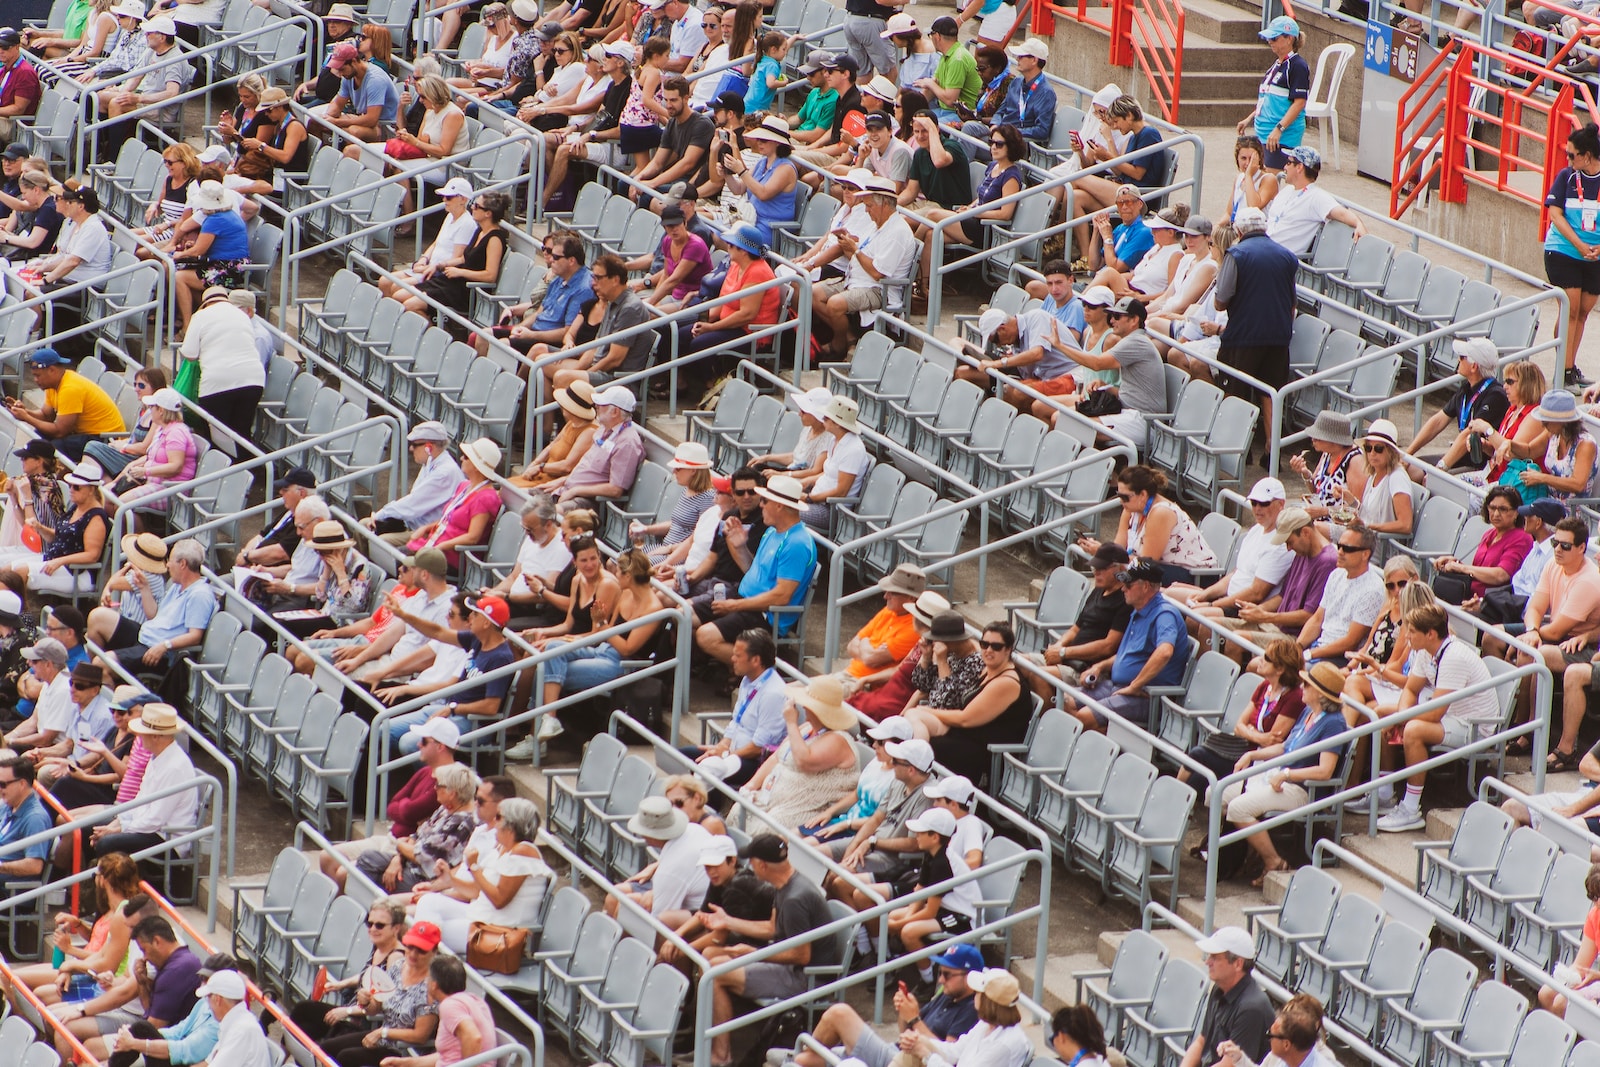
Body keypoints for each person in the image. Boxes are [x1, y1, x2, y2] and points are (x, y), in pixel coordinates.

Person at [707, 833, 838, 1066]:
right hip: (793, 966)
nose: (749, 866)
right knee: (711, 957)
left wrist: (752, 953)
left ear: (762, 865)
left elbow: (802, 955)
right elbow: (771, 928)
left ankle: (721, 1056)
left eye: (751, 862)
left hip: (808, 979)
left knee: (716, 975)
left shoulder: (794, 899)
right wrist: (728, 921)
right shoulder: (786, 884)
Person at [1375, 603, 1499, 832]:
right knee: (1382, 713)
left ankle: (1411, 809)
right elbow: (1411, 690)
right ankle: (1384, 793)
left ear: (1430, 634)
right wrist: (1400, 716)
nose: (1407, 636)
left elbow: (1434, 714)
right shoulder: (1424, 651)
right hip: (1449, 716)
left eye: (1412, 631)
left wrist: (1402, 720)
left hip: (1473, 726)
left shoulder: (1454, 657)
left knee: (1413, 729)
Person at [1220, 661, 1346, 882]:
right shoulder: (1308, 711)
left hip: (1302, 790)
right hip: (1280, 777)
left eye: (1306, 685)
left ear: (1319, 693)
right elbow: (1285, 747)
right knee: (1219, 795)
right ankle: (1236, 858)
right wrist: (1252, 755)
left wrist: (1287, 775)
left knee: (1238, 809)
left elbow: (1325, 771)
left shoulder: (1333, 723)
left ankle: (1273, 861)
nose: (1302, 688)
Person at [318, 717, 460, 892]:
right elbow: (393, 806)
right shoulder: (425, 771)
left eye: (423, 741)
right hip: (390, 838)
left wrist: (405, 808)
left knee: (343, 874)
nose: (418, 745)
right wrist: (405, 808)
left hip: (404, 848)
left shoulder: (449, 783)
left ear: (440, 747)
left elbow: (410, 812)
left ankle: (346, 913)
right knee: (327, 856)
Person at [694, 474, 817, 665]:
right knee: (685, 615)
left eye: (765, 500)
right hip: (744, 598)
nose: (760, 505)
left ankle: (760, 670)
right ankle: (726, 671)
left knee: (705, 636)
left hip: (764, 615)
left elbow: (781, 596)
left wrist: (734, 606)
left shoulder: (797, 544)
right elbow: (752, 569)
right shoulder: (772, 531)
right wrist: (740, 546)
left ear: (779, 505)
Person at [797, 942, 981, 1067]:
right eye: (940, 972)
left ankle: (796, 1052)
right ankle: (794, 1056)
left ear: (970, 977)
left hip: (903, 1062)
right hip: (898, 1050)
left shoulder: (972, 1009)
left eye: (947, 975)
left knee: (839, 1013)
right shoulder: (948, 994)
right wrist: (904, 1012)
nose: (941, 979)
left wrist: (915, 1019)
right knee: (805, 1060)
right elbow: (904, 1033)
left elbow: (946, 1057)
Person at [52, 914, 202, 1063]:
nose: (145, 958)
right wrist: (142, 983)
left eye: (144, 950)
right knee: (79, 1037)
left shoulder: (177, 970)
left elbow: (152, 1028)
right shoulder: (176, 961)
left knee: (91, 1049)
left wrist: (128, 1038)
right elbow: (149, 1014)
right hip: (158, 1036)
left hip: (168, 1048)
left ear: (157, 941)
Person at [382, 594, 516, 755]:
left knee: (409, 743)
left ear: (486, 623)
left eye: (475, 614)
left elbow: (491, 707)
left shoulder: (500, 658)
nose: (470, 617)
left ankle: (432, 778)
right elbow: (438, 632)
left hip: (471, 722)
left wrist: (453, 709)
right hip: (448, 710)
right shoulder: (477, 639)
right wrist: (403, 615)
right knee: (385, 729)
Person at [416, 798, 551, 954]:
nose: (494, 820)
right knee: (428, 901)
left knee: (427, 932)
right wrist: (450, 879)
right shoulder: (502, 848)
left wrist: (474, 867)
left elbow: (499, 900)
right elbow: (477, 891)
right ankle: (424, 965)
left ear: (512, 824)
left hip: (498, 930)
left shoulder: (524, 851)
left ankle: (423, 967)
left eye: (499, 817)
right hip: (480, 916)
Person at [1070, 559, 1191, 730]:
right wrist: (1099, 666)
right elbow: (1128, 654)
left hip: (1146, 697)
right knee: (1065, 701)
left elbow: (1165, 652)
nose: (1122, 588)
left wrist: (1135, 685)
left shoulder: (1164, 614)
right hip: (1117, 686)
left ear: (1146, 587)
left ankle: (1116, 749)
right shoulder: (1138, 609)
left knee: (1084, 716)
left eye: (1128, 584)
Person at [1520, 516, 1600, 771]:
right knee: (1503, 640)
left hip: (1580, 646)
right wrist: (1532, 630)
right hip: (1571, 638)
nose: (1557, 549)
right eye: (1556, 543)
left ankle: (1565, 748)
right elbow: (1534, 607)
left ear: (1581, 548)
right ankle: (1526, 725)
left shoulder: (1589, 580)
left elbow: (1555, 632)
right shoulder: (1553, 565)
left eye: (1565, 546)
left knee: (1538, 653)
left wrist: (1590, 637)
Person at [1214, 207, 1296, 447]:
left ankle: (1235, 448)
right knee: (1271, 393)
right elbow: (1292, 302)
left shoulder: (1236, 254)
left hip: (1243, 336)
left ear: (1238, 230)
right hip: (1279, 336)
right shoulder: (1287, 255)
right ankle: (1273, 448)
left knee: (1235, 392)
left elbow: (1221, 302)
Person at [739, 674, 861, 831]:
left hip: (804, 810)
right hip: (770, 798)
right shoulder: (806, 728)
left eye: (807, 704)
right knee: (739, 809)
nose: (803, 706)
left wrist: (791, 722)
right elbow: (777, 757)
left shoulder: (838, 739)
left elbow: (803, 761)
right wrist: (751, 785)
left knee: (765, 828)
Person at [815, 178, 918, 357]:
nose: (866, 210)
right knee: (813, 293)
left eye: (869, 205)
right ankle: (850, 340)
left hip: (879, 290)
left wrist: (854, 249)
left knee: (835, 304)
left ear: (884, 204)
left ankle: (839, 346)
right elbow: (861, 254)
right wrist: (849, 244)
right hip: (856, 279)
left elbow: (877, 273)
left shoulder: (897, 231)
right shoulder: (877, 225)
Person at [1171, 477, 1293, 620]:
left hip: (1242, 608)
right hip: (1227, 597)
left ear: (1281, 504)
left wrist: (1212, 605)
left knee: (1195, 616)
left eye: (1264, 503)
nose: (1257, 508)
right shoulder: (1255, 530)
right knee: (1169, 594)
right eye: (1254, 503)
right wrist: (1206, 595)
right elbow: (1235, 574)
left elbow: (1256, 593)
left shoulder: (1280, 544)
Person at [88, 703, 199, 860]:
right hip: (152, 828)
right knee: (91, 829)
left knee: (106, 842)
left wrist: (119, 827)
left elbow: (155, 819)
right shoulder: (157, 757)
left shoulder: (175, 767)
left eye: (142, 733)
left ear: (154, 736)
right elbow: (142, 801)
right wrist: (117, 823)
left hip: (168, 839)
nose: (138, 737)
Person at [1058, 297, 1170, 451]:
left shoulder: (1136, 341)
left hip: (1144, 422)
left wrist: (1059, 345)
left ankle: (1106, 473)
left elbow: (1097, 363)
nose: (1111, 321)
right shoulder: (1133, 340)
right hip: (1127, 412)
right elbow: (1131, 393)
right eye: (1111, 316)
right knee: (1062, 418)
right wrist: (1106, 387)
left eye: (1117, 317)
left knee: (1072, 424)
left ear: (1134, 320)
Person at [1077, 465, 1215, 586]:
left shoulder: (1161, 513)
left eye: (1125, 497)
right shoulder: (1130, 509)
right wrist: (1103, 552)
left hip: (1193, 574)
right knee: (1111, 573)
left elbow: (1146, 563)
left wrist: (1103, 553)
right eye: (1118, 495)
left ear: (1142, 495)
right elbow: (1118, 549)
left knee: (1128, 577)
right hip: (1160, 567)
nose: (1121, 501)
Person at [1023, 543, 1131, 695]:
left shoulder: (1125, 601)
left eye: (1102, 569)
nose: (1096, 573)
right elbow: (1076, 628)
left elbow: (1109, 645)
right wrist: (1057, 647)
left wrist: (1064, 653)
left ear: (1119, 569)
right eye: (1095, 569)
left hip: (1086, 667)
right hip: (1067, 657)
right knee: (1016, 662)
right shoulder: (1098, 590)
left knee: (1037, 675)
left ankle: (1046, 717)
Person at [177, 286, 266, 446]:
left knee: (216, 438)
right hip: (253, 379)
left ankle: (226, 467)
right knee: (242, 433)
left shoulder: (200, 316)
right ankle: (248, 468)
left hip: (216, 382)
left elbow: (189, 354)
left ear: (204, 304)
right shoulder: (242, 315)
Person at [1403, 338, 1509, 471]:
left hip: (1479, 467)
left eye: (1462, 357)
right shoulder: (1466, 389)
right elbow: (1437, 421)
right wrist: (1407, 454)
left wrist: (1439, 469)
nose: (1458, 359)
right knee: (1404, 470)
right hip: (1460, 458)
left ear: (1474, 366)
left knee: (1424, 477)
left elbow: (1468, 434)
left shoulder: (1496, 396)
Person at [1547, 123, 1600, 386]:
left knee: (1582, 312)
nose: (1568, 160)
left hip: (1595, 257)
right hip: (1565, 250)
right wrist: (1579, 245)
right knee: (1570, 308)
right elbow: (1554, 214)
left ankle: (1569, 365)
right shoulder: (1566, 177)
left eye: (1572, 155)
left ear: (1587, 156)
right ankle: (1564, 370)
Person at [4, 349, 126, 463]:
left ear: (51, 370)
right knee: (39, 438)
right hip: (84, 434)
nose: (35, 380)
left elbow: (59, 432)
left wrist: (26, 417)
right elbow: (46, 416)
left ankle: (53, 480)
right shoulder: (53, 385)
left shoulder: (70, 388)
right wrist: (24, 411)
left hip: (105, 438)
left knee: (56, 447)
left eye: (38, 375)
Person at [1179, 926, 1275, 1067]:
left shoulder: (1252, 1008)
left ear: (1238, 964)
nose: (1207, 962)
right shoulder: (1219, 988)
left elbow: (1230, 1064)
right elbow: (1202, 1040)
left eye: (1215, 957)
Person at [403, 193, 509, 318]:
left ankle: (434, 335)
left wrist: (460, 272)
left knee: (410, 305)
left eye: (476, 206)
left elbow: (490, 275)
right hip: (453, 282)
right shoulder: (480, 231)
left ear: (488, 213)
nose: (472, 208)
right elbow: (465, 258)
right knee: (402, 296)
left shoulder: (495, 239)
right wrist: (441, 265)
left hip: (466, 290)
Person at [898, 969, 1033, 1067]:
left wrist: (926, 1055)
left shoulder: (1004, 1044)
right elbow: (955, 1051)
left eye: (978, 992)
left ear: (987, 1000)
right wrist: (919, 1040)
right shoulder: (986, 1025)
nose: (974, 994)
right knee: (912, 1047)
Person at [379, 956, 495, 1067]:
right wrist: (405, 1063)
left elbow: (474, 1037)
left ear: (434, 985)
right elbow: (446, 1057)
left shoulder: (450, 1005)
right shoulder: (475, 1000)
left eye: (428, 978)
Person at [545, 386, 646, 512]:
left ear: (615, 412)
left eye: (602, 404)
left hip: (588, 502)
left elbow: (615, 489)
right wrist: (564, 481)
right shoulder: (604, 429)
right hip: (567, 490)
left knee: (542, 514)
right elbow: (588, 468)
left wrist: (576, 490)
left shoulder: (627, 443)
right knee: (519, 496)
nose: (596, 406)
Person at [1432, 487, 1534, 603]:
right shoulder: (1489, 534)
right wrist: (1454, 563)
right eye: (1492, 508)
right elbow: (1477, 571)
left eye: (1503, 509)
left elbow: (1501, 575)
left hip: (1492, 603)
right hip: (1467, 595)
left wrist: (1462, 568)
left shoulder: (1521, 538)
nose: (1496, 514)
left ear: (1516, 512)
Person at [485, 501, 572, 631]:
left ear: (548, 524)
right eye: (524, 528)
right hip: (511, 599)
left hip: (532, 607)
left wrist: (505, 597)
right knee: (469, 604)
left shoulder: (562, 547)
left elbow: (545, 596)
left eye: (530, 529)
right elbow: (513, 577)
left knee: (487, 622)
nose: (526, 533)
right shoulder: (531, 538)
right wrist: (492, 593)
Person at [1264, 146, 1366, 256]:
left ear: (1299, 167)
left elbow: (1342, 213)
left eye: (1288, 163)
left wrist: (1358, 223)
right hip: (1264, 246)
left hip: (1279, 257)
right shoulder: (1288, 190)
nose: (1284, 167)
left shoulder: (1316, 197)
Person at [1237, 17, 1310, 170]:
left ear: (1289, 39)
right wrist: (1250, 118)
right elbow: (1267, 99)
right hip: (1264, 134)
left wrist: (1278, 129)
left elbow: (1299, 103)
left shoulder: (1298, 66)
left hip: (1280, 138)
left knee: (1267, 186)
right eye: (1269, 37)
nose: (1270, 41)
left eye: (1274, 38)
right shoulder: (1277, 64)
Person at [1503, 389, 1599, 504]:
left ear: (1563, 422)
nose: (1542, 423)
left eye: (1547, 420)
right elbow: (1529, 451)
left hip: (1573, 510)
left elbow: (1578, 484)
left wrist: (1541, 478)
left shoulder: (1585, 444)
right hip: (1549, 503)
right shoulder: (1553, 433)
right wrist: (1509, 444)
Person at [509, 383, 596, 490]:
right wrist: (535, 464)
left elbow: (567, 466)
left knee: (510, 491)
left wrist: (541, 468)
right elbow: (551, 446)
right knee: (507, 485)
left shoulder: (589, 431)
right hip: (543, 474)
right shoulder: (572, 423)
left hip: (555, 482)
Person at [314, 42, 401, 144]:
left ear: (354, 61)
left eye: (342, 69)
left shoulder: (375, 80)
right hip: (363, 118)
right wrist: (327, 117)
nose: (340, 73)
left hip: (384, 127)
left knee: (353, 132)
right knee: (315, 122)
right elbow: (338, 103)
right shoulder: (348, 75)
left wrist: (337, 122)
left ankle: (346, 156)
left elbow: (371, 119)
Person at [1287, 411, 1365, 521]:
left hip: (1341, 524)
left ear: (1334, 440)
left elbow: (1357, 507)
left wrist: (1324, 511)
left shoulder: (1355, 461)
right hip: (1321, 519)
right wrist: (1304, 472)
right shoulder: (1327, 452)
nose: (1313, 439)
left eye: (1318, 437)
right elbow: (1316, 489)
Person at [1218, 994, 1336, 1067]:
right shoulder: (1282, 1057)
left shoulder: (1325, 1061)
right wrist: (1239, 1058)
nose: (1269, 1039)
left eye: (1292, 1018)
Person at [0, 758, 52, 886]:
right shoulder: (7, 805)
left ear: (22, 784)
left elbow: (34, 866)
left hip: (9, 891)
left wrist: (1, 866)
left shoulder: (35, 818)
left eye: (2, 784)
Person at [1228, 136, 1279, 221]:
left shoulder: (1268, 179)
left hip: (1257, 230)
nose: (1247, 163)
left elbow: (1253, 207)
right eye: (1243, 158)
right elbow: (1229, 213)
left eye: (1252, 159)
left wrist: (1248, 175)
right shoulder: (1239, 178)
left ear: (1259, 158)